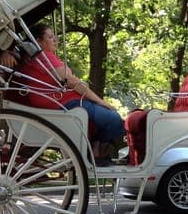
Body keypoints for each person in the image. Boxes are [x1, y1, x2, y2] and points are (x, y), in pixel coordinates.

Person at [16, 23, 125, 166]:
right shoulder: (44, 56)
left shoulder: (31, 59)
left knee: (106, 119)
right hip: (62, 103)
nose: (55, 39)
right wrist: (100, 101)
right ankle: (95, 150)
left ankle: (95, 148)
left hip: (59, 101)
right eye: (50, 37)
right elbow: (72, 82)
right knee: (113, 118)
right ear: (38, 41)